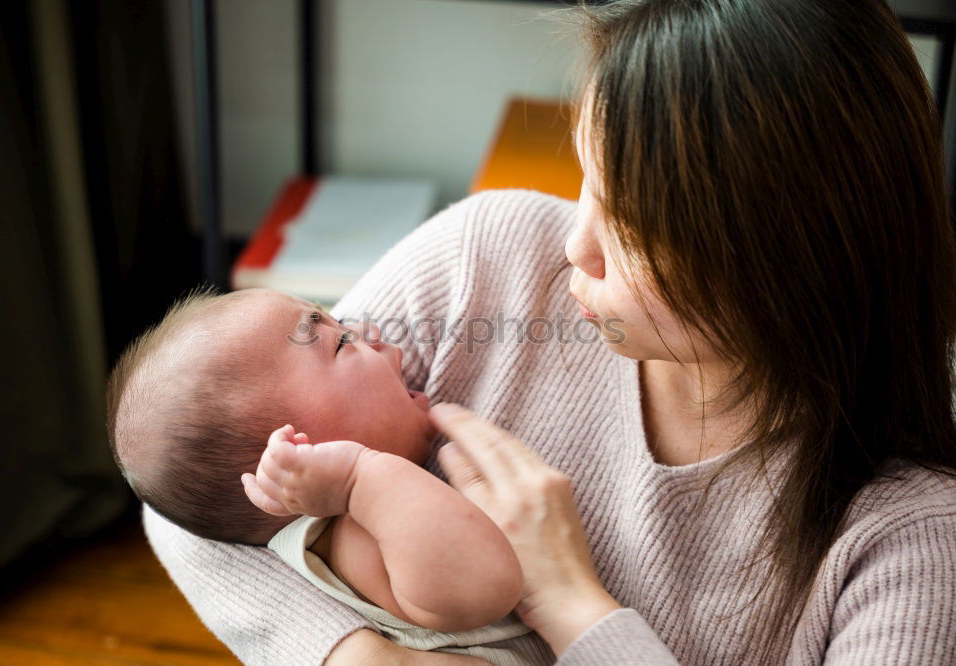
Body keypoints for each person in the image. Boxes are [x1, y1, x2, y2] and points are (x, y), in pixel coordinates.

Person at [143, 0, 956, 663]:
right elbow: (195, 472)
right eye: (585, 181)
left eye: (630, 222)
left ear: (777, 261)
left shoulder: (912, 538)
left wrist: (572, 602)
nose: (574, 244)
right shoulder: (491, 257)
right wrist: (357, 657)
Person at [106, 288, 533, 663]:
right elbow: (490, 586)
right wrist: (360, 479)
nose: (371, 330)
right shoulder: (348, 535)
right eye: (342, 341)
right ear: (297, 447)